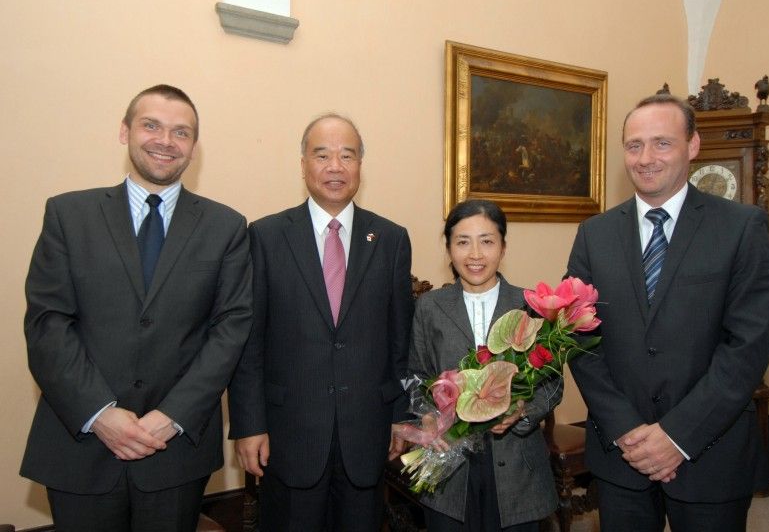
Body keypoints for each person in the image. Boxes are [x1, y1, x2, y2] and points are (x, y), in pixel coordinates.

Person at [20, 84, 254, 531]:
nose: (166, 141)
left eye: (181, 132)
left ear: (194, 146)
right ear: (125, 132)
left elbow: (230, 329)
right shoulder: (69, 215)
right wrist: (99, 414)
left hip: (175, 450)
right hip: (80, 444)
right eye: (151, 126)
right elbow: (48, 323)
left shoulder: (226, 226)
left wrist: (173, 416)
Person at [566, 94, 769, 531]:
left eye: (662, 143)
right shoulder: (593, 234)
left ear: (692, 145)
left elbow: (747, 347)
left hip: (711, 454)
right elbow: (580, 340)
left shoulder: (741, 227)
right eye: (634, 145)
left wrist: (676, 436)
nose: (646, 158)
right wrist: (627, 429)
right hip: (620, 455)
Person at [227, 113, 414, 531]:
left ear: (360, 165)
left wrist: (403, 416)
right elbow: (248, 342)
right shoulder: (266, 236)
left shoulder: (390, 239)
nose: (335, 167)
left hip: (367, 433)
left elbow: (401, 342)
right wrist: (249, 425)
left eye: (347, 155)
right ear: (303, 164)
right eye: (322, 155)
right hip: (288, 434)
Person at [408, 199, 561, 532]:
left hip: (517, 464)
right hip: (449, 462)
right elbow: (416, 375)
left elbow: (552, 382)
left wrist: (522, 411)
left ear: (503, 247)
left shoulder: (529, 305)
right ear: (448, 248)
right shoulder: (430, 307)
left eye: (487, 241)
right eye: (463, 242)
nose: (475, 254)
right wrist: (427, 417)